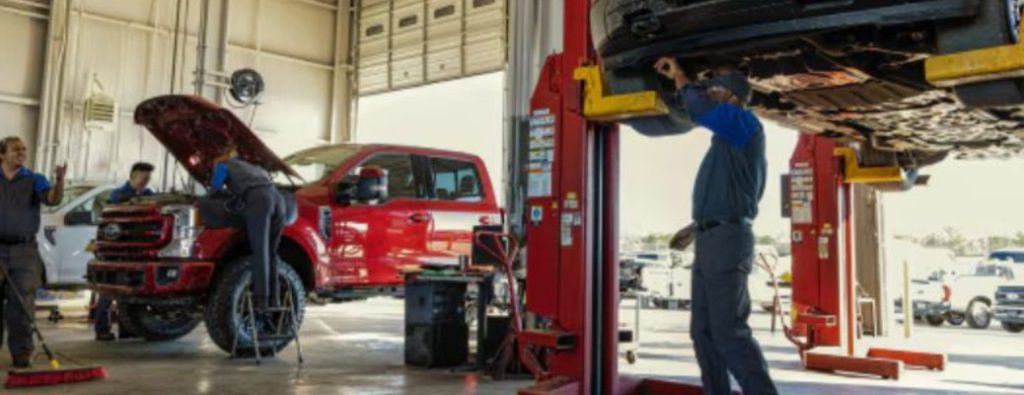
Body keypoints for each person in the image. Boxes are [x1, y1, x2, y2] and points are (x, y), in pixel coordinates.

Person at [654, 56, 778, 395]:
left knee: (728, 332)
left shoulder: (744, 125)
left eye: (716, 89)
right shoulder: (726, 142)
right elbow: (726, 196)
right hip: (713, 239)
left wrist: (681, 76)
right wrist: (698, 227)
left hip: (727, 241)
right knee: (704, 332)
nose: (709, 92)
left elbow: (697, 105)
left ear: (735, 98)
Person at [0, 136, 65, 368]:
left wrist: (59, 181)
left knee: (22, 304)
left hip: (24, 251)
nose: (22, 153)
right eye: (16, 149)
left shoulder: (35, 179)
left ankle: (22, 354)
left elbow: (52, 199)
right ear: (2, 155)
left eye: (24, 149)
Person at [210, 145, 286, 311]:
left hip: (259, 200)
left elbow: (214, 190)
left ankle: (261, 300)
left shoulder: (223, 166)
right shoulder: (255, 167)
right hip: (278, 199)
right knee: (271, 252)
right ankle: (275, 298)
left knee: (260, 251)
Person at [94, 162, 155, 341]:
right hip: (115, 250)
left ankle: (127, 330)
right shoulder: (118, 195)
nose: (146, 182)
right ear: (133, 177)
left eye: (148, 179)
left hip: (136, 250)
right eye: (143, 179)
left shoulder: (149, 195)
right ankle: (102, 330)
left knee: (130, 292)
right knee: (107, 292)